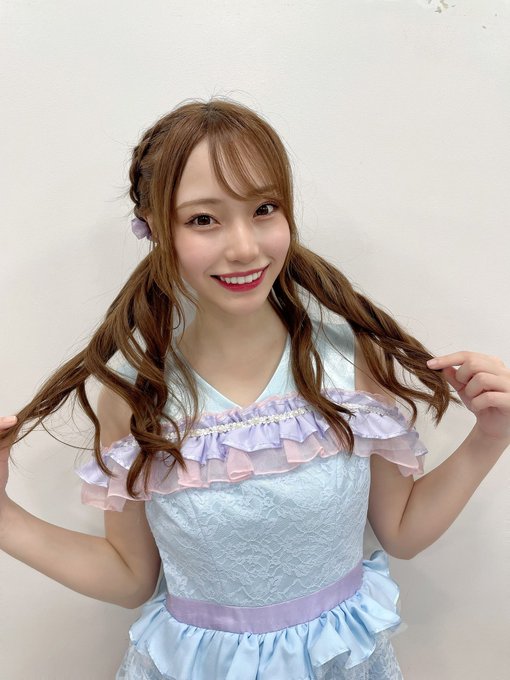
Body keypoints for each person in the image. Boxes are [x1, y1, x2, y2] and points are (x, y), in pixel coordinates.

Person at [0, 98, 508, 680]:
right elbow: (129, 575)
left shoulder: (349, 365)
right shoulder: (137, 395)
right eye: (203, 219)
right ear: (156, 229)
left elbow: (403, 530)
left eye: (264, 209)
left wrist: (490, 436)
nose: (244, 246)